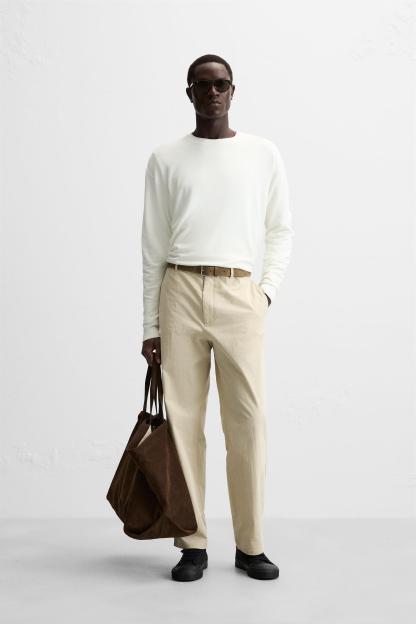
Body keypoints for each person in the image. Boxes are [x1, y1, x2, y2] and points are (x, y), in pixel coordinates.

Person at [140, 54, 294, 582]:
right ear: (189, 93)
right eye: (202, 85)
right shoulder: (165, 158)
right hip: (179, 291)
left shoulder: (262, 154)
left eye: (221, 84)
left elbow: (281, 229)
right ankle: (192, 544)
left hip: (239, 292)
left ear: (233, 91)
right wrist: (149, 327)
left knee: (248, 423)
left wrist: (264, 293)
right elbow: (152, 246)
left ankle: (251, 546)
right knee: (184, 424)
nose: (212, 92)